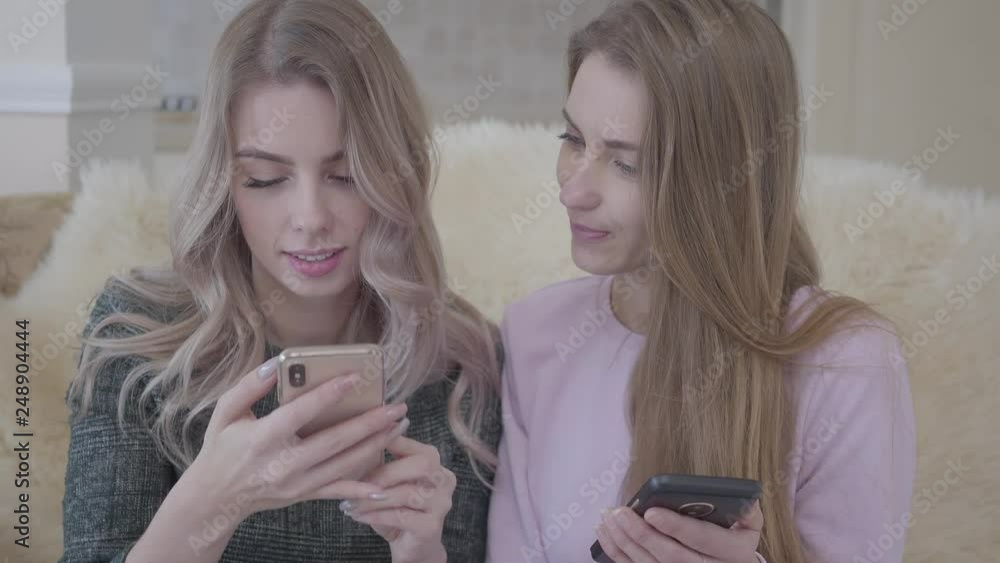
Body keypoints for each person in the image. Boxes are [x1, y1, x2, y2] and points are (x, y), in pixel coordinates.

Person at [60, 1, 501, 561]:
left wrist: (421, 551)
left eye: (345, 175)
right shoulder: (135, 337)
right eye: (266, 179)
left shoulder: (462, 363)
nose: (311, 217)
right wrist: (210, 503)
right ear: (224, 183)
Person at [486, 1, 916, 562]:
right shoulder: (534, 334)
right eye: (572, 140)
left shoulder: (848, 362)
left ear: (719, 179)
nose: (571, 191)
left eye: (626, 164)